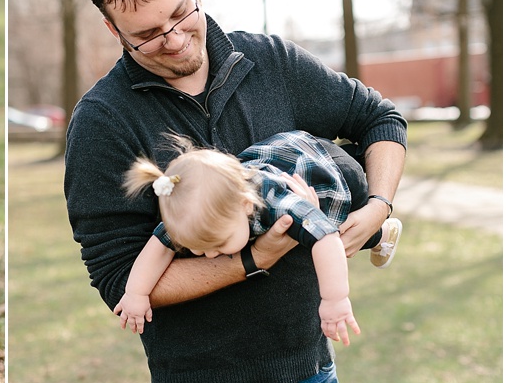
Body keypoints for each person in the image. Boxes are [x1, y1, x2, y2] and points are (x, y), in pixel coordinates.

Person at [64, 0, 406, 383]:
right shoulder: (102, 123)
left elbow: (379, 117)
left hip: (312, 377)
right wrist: (250, 261)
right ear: (113, 31)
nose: (172, 40)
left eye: (179, 14)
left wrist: (377, 207)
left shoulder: (268, 61)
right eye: (146, 35)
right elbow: (121, 280)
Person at [117, 130, 403, 345]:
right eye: (200, 249)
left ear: (246, 205)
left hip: (328, 168)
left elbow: (325, 239)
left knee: (335, 231)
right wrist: (136, 293)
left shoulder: (281, 202)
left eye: (217, 245)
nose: (210, 255)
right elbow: (159, 246)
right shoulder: (196, 211)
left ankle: (381, 235)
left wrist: (335, 300)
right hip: (282, 155)